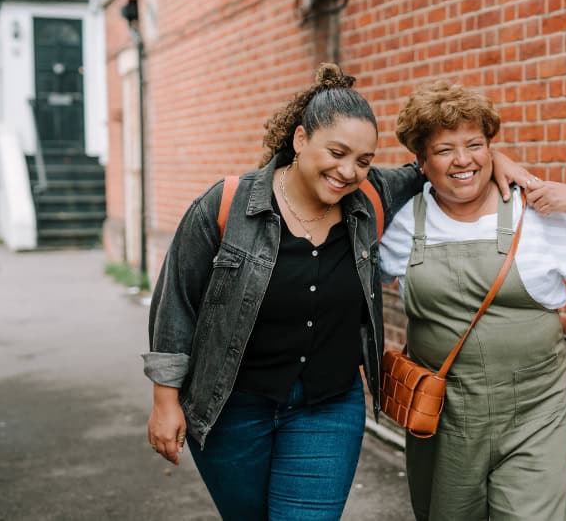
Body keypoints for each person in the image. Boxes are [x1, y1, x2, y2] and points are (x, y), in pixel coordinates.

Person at [144, 64, 529, 520]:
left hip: (327, 407)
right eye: (337, 152)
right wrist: (165, 401)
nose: (348, 172)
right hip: (233, 409)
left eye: (363, 161)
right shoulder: (228, 204)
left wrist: (496, 159)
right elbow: (176, 303)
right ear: (301, 139)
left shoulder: (370, 198)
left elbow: (429, 168)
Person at [379, 81, 566, 521]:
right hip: (444, 412)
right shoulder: (400, 222)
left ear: (491, 148)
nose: (463, 160)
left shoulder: (538, 212)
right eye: (445, 149)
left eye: (475, 145)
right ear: (421, 161)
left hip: (534, 407)